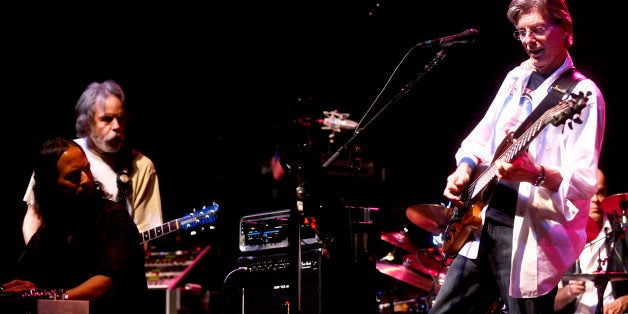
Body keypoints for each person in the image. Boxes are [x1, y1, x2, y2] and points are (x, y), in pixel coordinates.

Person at [428, 0, 606, 313]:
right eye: (521, 33)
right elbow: (481, 138)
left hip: (530, 236)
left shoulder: (584, 95)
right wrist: (465, 170)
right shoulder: (516, 78)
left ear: (565, 29)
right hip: (480, 223)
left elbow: (583, 182)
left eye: (538, 30)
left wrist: (536, 174)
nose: (528, 40)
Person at [1, 138, 149, 314]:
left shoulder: (113, 216)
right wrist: (31, 288)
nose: (86, 180)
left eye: (86, 168)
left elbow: (105, 284)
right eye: (73, 176)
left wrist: (46, 297)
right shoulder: (51, 229)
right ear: (51, 186)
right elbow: (35, 274)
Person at [22, 79, 163, 247]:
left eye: (121, 119)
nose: (117, 126)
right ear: (87, 124)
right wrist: (38, 260)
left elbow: (145, 235)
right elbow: (34, 216)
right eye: (107, 119)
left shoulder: (142, 166)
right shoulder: (61, 154)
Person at [554, 169, 628, 314]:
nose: (595, 199)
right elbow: (551, 305)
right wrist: (568, 292)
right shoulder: (562, 236)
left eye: (600, 192)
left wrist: (625, 301)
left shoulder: (621, 232)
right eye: (589, 193)